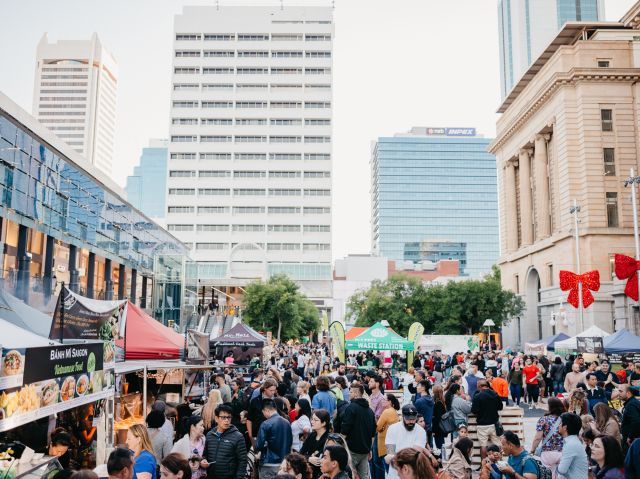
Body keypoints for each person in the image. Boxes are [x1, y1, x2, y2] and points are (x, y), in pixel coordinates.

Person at [341, 383, 376, 479]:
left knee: (350, 474)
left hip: (352, 449)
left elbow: (345, 429)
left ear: (356, 394)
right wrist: (369, 448)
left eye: (351, 392)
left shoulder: (351, 407)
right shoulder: (370, 411)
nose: (349, 394)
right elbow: (373, 433)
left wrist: (340, 444)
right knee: (364, 476)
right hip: (365, 450)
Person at [203, 404, 247, 479]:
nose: (226, 420)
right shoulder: (210, 435)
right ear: (216, 418)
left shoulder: (238, 436)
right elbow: (205, 454)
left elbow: (242, 461)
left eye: (229, 417)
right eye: (223, 417)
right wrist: (203, 460)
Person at [384, 405, 427, 479]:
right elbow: (390, 452)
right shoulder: (392, 429)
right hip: (394, 474)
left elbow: (415, 455)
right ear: (402, 417)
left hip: (413, 474)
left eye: (413, 419)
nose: (411, 421)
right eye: (408, 419)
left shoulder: (421, 431)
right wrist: (390, 457)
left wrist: (394, 457)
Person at [256, 399, 293, 479]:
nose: (263, 415)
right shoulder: (287, 422)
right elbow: (290, 442)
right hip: (283, 462)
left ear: (266, 410)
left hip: (268, 462)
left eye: (263, 412)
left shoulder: (266, 424)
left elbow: (259, 445)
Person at [529, 397, 564, 475]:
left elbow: (538, 438)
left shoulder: (543, 419)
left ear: (550, 407)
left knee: (547, 475)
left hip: (548, 453)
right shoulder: (564, 419)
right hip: (563, 452)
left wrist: (532, 450)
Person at [471, 380, 503, 462]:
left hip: (482, 424)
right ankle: (499, 463)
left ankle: (484, 465)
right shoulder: (495, 394)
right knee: (497, 444)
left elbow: (474, 410)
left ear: (480, 386)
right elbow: (500, 407)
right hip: (494, 423)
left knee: (483, 446)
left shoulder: (477, 396)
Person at [300, 409, 331, 479]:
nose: (312, 422)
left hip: (322, 474)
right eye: (312, 419)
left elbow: (323, 458)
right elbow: (301, 453)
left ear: (324, 423)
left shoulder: (329, 439)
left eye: (315, 420)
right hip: (309, 472)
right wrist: (309, 458)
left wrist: (310, 456)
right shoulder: (311, 435)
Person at [247, 378, 278, 447]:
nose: (273, 392)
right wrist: (250, 436)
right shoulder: (255, 401)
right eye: (271, 390)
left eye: (274, 390)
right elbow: (249, 419)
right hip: (257, 434)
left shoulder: (275, 401)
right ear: (265, 389)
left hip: (271, 436)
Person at [556, 412, 589, 479]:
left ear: (565, 427)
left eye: (560, 423)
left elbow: (562, 470)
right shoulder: (573, 441)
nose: (558, 425)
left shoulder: (571, 444)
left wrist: (556, 467)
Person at [377, 394, 400, 471]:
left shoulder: (387, 412)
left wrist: (381, 427)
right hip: (391, 443)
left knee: (386, 468)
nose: (382, 401)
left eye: (384, 400)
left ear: (389, 402)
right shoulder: (393, 411)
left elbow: (377, 427)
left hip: (384, 443)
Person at [613, 384, 640, 449]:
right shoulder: (631, 402)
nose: (618, 394)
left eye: (621, 391)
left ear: (628, 393)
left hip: (632, 440)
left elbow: (636, 421)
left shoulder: (631, 404)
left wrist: (630, 437)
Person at [431, 385, 447, 457]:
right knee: (441, 444)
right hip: (441, 428)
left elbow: (437, 419)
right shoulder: (441, 402)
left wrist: (434, 430)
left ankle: (442, 459)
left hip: (438, 429)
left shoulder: (438, 404)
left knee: (439, 446)